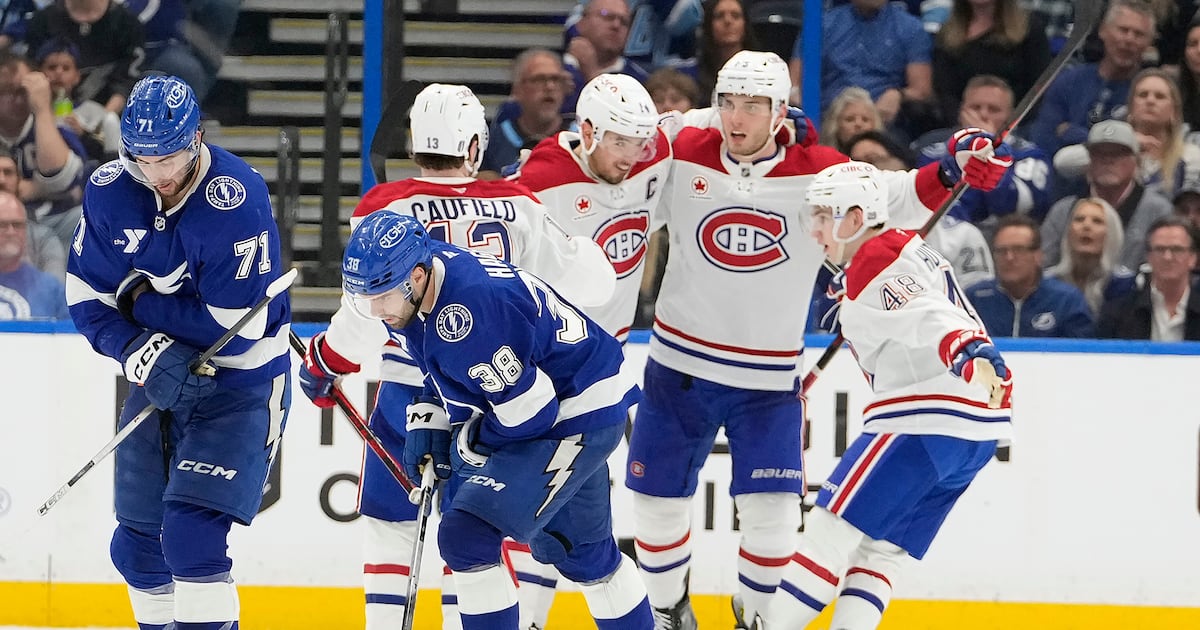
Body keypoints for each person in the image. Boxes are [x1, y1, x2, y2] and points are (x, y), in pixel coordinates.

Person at [624, 50, 1012, 629]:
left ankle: (759, 620)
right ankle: (669, 612)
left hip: (775, 380)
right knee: (656, 508)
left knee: (785, 523)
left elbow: (898, 198)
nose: (736, 117)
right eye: (727, 101)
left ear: (781, 110)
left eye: (754, 105)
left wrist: (951, 169)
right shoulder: (681, 149)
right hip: (679, 363)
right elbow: (625, 150)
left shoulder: (823, 177)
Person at [298, 82, 617, 630]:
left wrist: (326, 362)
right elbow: (597, 283)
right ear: (475, 147)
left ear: (415, 142)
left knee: (392, 525)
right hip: (495, 393)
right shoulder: (516, 202)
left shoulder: (385, 206)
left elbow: (365, 318)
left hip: (408, 391)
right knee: (476, 532)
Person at [341, 210, 653, 630]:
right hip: (577, 398)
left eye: (382, 296)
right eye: (366, 298)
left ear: (415, 276)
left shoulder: (468, 313)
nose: (377, 310)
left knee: (465, 537)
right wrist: (430, 413)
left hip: (571, 413)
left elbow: (531, 412)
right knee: (583, 554)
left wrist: (467, 442)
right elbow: (444, 366)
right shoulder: (421, 282)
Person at [64, 75, 291, 629]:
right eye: (142, 158)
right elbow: (85, 297)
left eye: (170, 157)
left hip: (241, 385)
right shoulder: (111, 189)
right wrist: (136, 350)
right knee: (136, 548)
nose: (159, 174)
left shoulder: (237, 198)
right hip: (158, 376)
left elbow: (235, 330)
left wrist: (139, 308)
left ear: (197, 137)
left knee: (191, 540)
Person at [769, 160, 1013, 629]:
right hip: (975, 431)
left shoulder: (874, 258)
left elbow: (923, 313)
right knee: (881, 552)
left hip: (923, 418)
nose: (815, 229)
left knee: (828, 535)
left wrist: (965, 348)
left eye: (824, 216)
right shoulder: (897, 248)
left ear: (856, 219)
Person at [1041, 120, 1173, 271]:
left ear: (1135, 161)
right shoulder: (1063, 211)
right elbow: (1043, 269)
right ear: (1089, 160)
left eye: (1118, 153)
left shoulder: (1159, 212)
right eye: (1100, 153)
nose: (1108, 160)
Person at [1028, 0, 1156, 155]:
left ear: (1149, 42)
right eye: (1123, 30)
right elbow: (1044, 137)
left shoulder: (1150, 93)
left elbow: (1144, 148)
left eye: (1138, 34)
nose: (1129, 39)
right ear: (1103, 30)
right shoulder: (1068, 81)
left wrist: (1071, 132)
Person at [1054, 68, 1200, 200]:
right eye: (1143, 95)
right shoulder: (1113, 147)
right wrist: (1128, 143)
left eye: (1159, 96)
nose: (1150, 100)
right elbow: (1062, 162)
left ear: (1173, 112)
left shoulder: (1191, 156)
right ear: (1130, 109)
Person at [0, 51, 90, 253]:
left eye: (22, 91)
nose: (16, 100)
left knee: (82, 219)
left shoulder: (54, 126)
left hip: (55, 221)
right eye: (5, 92)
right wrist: (38, 188)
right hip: (4, 224)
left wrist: (42, 110)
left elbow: (63, 181)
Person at [966, 214, 1094, 337]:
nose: (1009, 257)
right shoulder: (974, 299)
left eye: (1018, 250)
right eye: (1002, 251)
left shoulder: (1066, 300)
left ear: (1038, 255)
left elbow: (1081, 355)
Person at [931, 0, 1050, 126]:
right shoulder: (947, 33)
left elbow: (1040, 87)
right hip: (961, 125)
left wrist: (1006, 125)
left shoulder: (1029, 29)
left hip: (1019, 125)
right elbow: (945, 92)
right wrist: (967, 122)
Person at [1098, 215, 1200, 339]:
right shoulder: (1118, 313)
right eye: (1159, 249)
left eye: (1177, 249)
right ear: (1148, 257)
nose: (1167, 257)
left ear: (1193, 258)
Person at [478, 48, 574, 179]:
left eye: (556, 79)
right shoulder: (494, 140)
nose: (550, 87)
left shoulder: (580, 136)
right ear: (517, 89)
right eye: (539, 79)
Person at [1044, 196, 1136, 317]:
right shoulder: (1046, 282)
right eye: (1079, 219)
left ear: (1112, 234)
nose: (1086, 226)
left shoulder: (1128, 285)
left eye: (1097, 221)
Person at [0, 190, 66, 318]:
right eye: (2, 225)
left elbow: (70, 336)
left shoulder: (51, 289)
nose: (11, 232)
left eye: (17, 225)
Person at [821, 87, 886, 155]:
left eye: (865, 119)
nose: (858, 124)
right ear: (835, 126)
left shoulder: (886, 160)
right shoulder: (822, 158)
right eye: (850, 119)